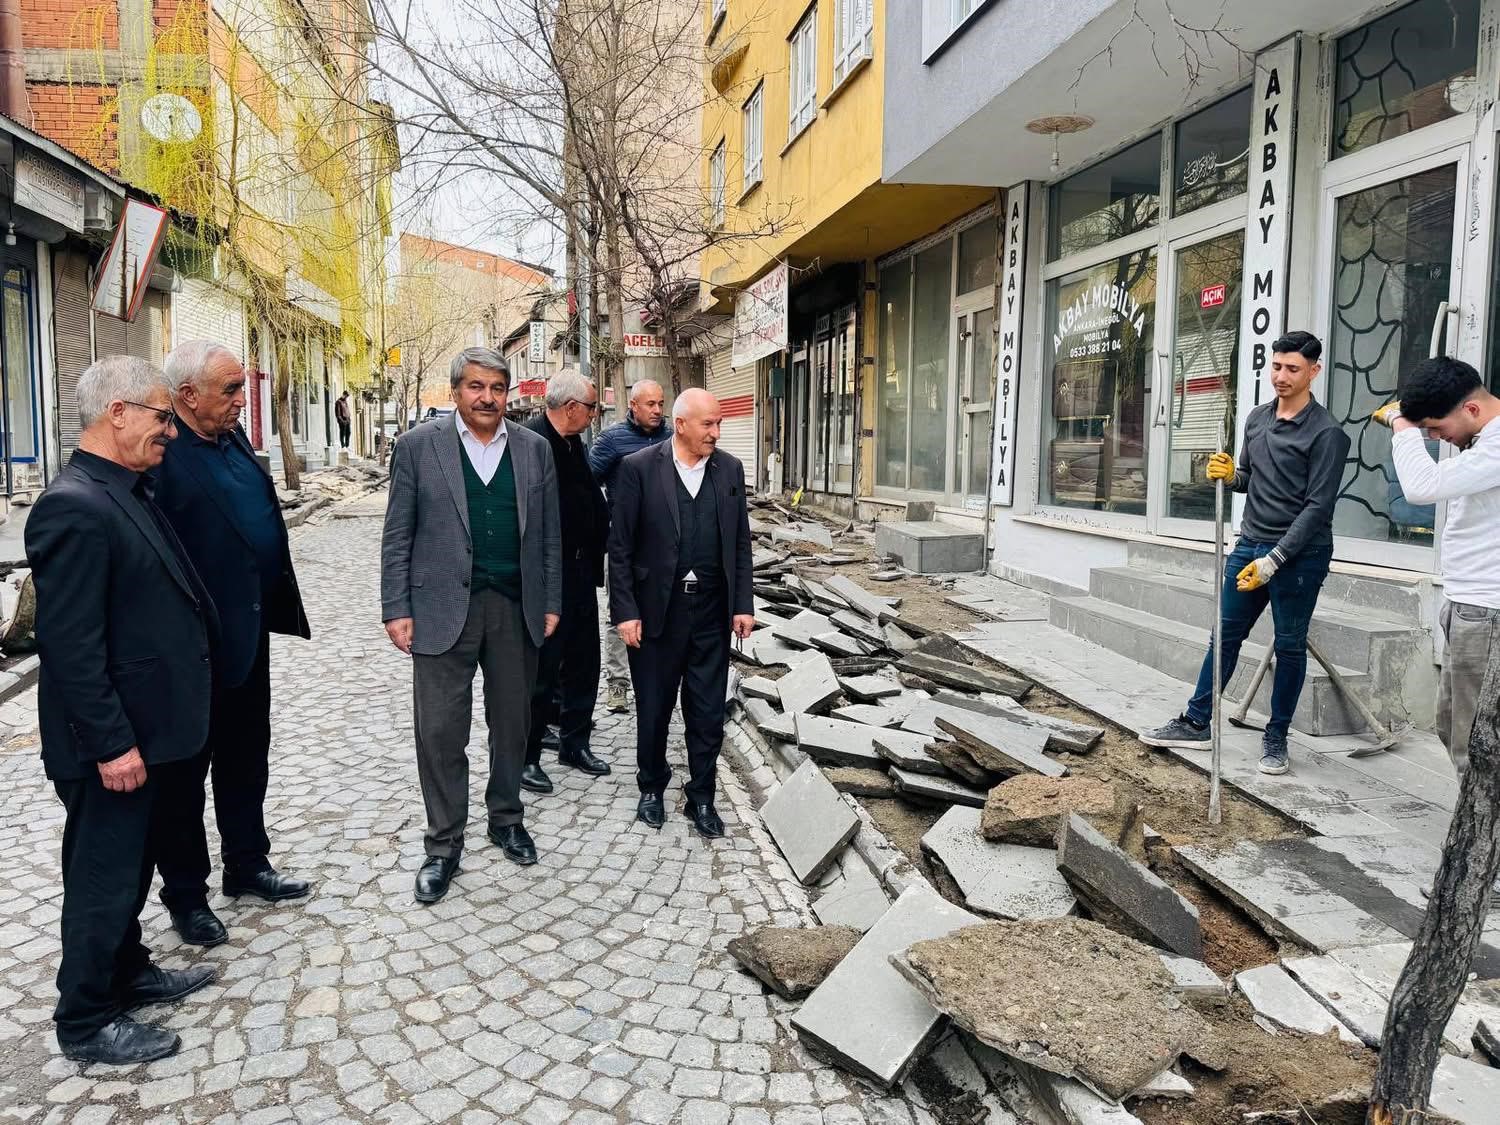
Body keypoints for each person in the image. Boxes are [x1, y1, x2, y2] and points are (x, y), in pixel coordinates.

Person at [29, 356, 218, 1065]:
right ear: (117, 413)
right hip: (110, 743)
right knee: (102, 879)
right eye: (161, 415)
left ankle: (129, 967)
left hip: (151, 729)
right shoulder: (74, 504)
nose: (170, 429)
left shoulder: (127, 489)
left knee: (133, 865)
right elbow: (71, 646)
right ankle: (85, 1017)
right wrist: (110, 743)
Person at [381, 346, 560, 903]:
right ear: (456, 391)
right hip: (439, 610)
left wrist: (551, 600)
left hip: (514, 606)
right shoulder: (417, 448)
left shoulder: (534, 450)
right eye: (476, 387)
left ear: (508, 394)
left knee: (513, 723)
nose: (487, 398)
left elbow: (550, 534)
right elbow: (397, 534)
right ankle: (443, 844)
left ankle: (506, 818)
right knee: (439, 732)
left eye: (497, 388)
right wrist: (397, 607)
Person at [149, 341, 313, 947]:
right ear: (188, 397)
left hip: (247, 636)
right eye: (231, 390)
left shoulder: (233, 438)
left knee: (247, 757)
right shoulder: (162, 455)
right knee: (186, 776)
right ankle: (186, 896)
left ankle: (247, 863)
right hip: (193, 649)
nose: (243, 401)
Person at [1141, 331, 1349, 775]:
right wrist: (1230, 476)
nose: (1281, 376)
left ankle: (1276, 737)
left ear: (1314, 371)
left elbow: (1317, 508)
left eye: (1293, 369)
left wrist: (1274, 561)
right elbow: (1252, 478)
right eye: (1276, 366)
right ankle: (1197, 722)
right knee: (1224, 636)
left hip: (1299, 555)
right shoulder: (1256, 419)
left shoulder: (1328, 433)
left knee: (1289, 646)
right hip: (1249, 544)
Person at [607, 388, 754, 837]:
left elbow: (741, 542)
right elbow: (621, 547)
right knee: (653, 708)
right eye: (708, 424)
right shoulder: (638, 469)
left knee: (707, 711)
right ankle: (651, 787)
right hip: (655, 615)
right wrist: (625, 611)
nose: (716, 432)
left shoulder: (729, 469)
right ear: (683, 424)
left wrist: (743, 604)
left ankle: (702, 797)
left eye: (719, 424)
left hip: (711, 613)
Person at [1374, 358, 1500, 782]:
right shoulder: (1484, 440)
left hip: (1487, 611)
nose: (1433, 436)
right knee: (1452, 728)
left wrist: (1402, 427)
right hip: (1469, 604)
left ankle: (1480, 840)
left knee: (1474, 743)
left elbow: (1422, 487)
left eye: (1434, 425)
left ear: (1471, 409)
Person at [522, 370, 611, 794]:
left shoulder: (576, 444)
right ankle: (528, 754)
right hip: (545, 577)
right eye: (592, 407)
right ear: (572, 408)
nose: (595, 414)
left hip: (579, 574)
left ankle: (575, 743)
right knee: (541, 671)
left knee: (584, 662)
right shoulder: (530, 444)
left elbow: (590, 502)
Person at [588, 379, 671, 713]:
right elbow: (587, 485)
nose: (656, 410)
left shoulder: (672, 438)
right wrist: (607, 520)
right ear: (633, 406)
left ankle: (660, 680)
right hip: (623, 544)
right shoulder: (611, 440)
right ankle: (618, 685)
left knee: (665, 610)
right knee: (619, 614)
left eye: (660, 404)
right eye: (649, 404)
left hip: (666, 545)